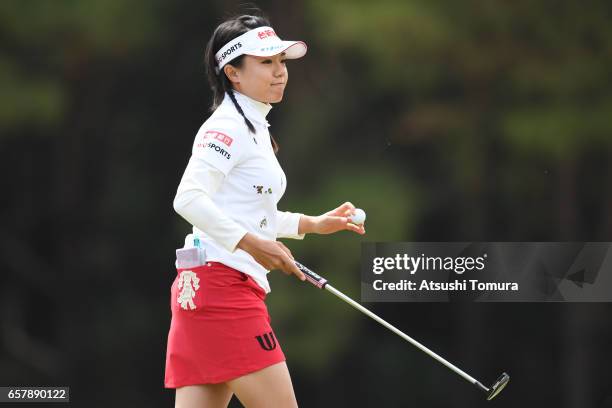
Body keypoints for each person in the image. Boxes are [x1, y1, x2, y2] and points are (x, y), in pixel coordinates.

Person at [164, 13, 365, 408]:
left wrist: (311, 224)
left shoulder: (254, 127)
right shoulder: (226, 127)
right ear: (233, 73)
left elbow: (244, 212)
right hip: (224, 291)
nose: (280, 73)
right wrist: (254, 245)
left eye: (282, 62)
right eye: (266, 62)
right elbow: (187, 198)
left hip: (208, 289)